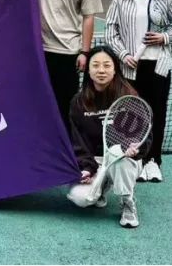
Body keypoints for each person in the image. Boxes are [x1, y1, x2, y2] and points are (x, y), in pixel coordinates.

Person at [104, 0, 172, 183]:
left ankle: (153, 161)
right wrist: (123, 55)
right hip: (130, 67)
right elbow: (110, 31)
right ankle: (135, 160)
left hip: (158, 67)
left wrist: (164, 37)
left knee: (156, 113)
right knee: (131, 115)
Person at [23, 0, 104, 131]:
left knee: (66, 105)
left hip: (69, 51)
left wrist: (84, 52)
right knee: (38, 103)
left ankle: (67, 146)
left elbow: (88, 16)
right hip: (40, 51)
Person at [66, 46, 149, 228]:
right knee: (80, 198)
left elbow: (143, 135)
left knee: (118, 155)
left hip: (124, 159)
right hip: (96, 160)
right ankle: (101, 187)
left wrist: (136, 149)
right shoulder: (79, 102)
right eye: (95, 65)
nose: (101, 70)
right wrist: (86, 168)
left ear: (115, 69)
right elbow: (78, 142)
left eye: (106, 65)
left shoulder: (129, 97)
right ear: (88, 70)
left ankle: (127, 202)